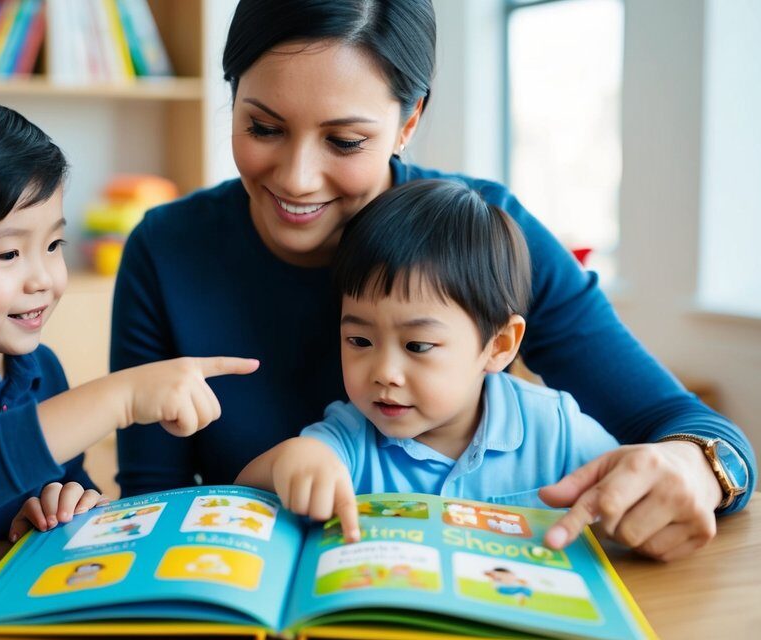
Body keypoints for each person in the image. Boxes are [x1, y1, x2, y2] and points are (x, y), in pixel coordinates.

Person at [111, 0, 756, 561]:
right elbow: (151, 502)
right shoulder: (167, 251)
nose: (297, 177)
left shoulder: (483, 235)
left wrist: (696, 468)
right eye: (263, 127)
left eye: (345, 141)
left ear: (409, 120)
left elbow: (693, 428)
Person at [0, 79, 258, 557]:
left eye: (54, 245)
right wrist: (120, 396)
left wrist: (71, 501)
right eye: (8, 253)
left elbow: (71, 488)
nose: (43, 279)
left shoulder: (40, 371)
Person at [235, 180, 619, 542]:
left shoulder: (556, 429)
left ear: (499, 345)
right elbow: (246, 488)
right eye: (359, 340)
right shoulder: (350, 437)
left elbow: (626, 489)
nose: (384, 372)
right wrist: (294, 458)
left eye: (417, 345)